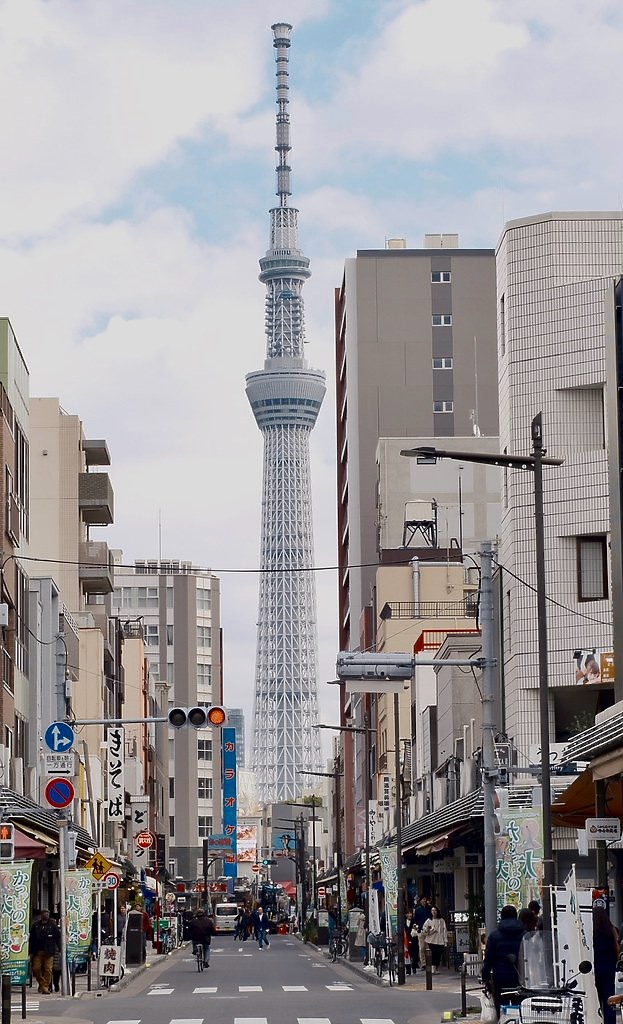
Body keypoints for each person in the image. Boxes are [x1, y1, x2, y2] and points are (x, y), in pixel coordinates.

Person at [481, 905, 525, 1021]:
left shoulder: (494, 936)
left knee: (501, 1006)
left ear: (501, 917)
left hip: (500, 977)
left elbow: (488, 959)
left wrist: (485, 976)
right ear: (516, 917)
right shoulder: (525, 935)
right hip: (521, 977)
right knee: (520, 1006)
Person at [593, 905, 620, 1024]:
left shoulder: (592, 931)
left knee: (595, 998)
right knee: (609, 999)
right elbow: (617, 949)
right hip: (609, 968)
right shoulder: (612, 929)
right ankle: (610, 1022)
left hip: (596, 968)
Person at [29, 908, 61, 995]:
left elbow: (58, 938)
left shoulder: (53, 926)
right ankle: (42, 984)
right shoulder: (35, 926)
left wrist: (60, 949)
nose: (46, 915)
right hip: (37, 952)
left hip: (49, 952)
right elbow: (31, 939)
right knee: (36, 968)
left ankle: (45, 987)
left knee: (48, 969)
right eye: (44, 913)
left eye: (47, 914)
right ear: (41, 915)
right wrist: (30, 952)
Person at [421, 905, 447, 974]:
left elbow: (444, 930)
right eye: (432, 910)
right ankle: (433, 967)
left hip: (440, 940)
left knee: (438, 954)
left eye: (435, 910)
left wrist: (445, 940)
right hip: (431, 940)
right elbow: (424, 928)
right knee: (433, 954)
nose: (434, 912)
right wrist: (429, 930)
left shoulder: (441, 920)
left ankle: (437, 968)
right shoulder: (429, 920)